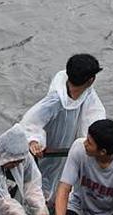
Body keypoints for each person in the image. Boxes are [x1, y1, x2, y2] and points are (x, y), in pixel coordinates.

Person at [19, 53, 106, 203]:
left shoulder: (87, 93)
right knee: (42, 186)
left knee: (63, 184)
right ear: (91, 80)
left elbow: (94, 116)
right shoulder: (55, 100)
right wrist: (34, 141)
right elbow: (30, 123)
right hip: (51, 152)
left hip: (67, 151)